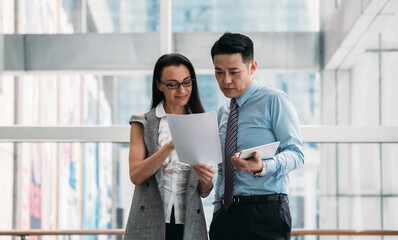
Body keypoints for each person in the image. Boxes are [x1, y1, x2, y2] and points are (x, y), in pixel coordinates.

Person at [209, 32, 305, 240]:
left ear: (252, 67)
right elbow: (223, 169)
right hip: (225, 217)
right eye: (219, 72)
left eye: (234, 72)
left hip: (264, 213)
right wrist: (217, 209)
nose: (225, 80)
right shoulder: (222, 113)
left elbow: (297, 154)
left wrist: (262, 167)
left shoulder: (274, 100)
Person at [123, 53, 215, 240]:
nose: (181, 90)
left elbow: (203, 192)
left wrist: (206, 182)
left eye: (186, 82)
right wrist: (169, 146)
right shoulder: (143, 123)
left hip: (189, 223)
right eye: (172, 84)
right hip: (148, 222)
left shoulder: (201, 124)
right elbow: (136, 175)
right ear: (159, 85)